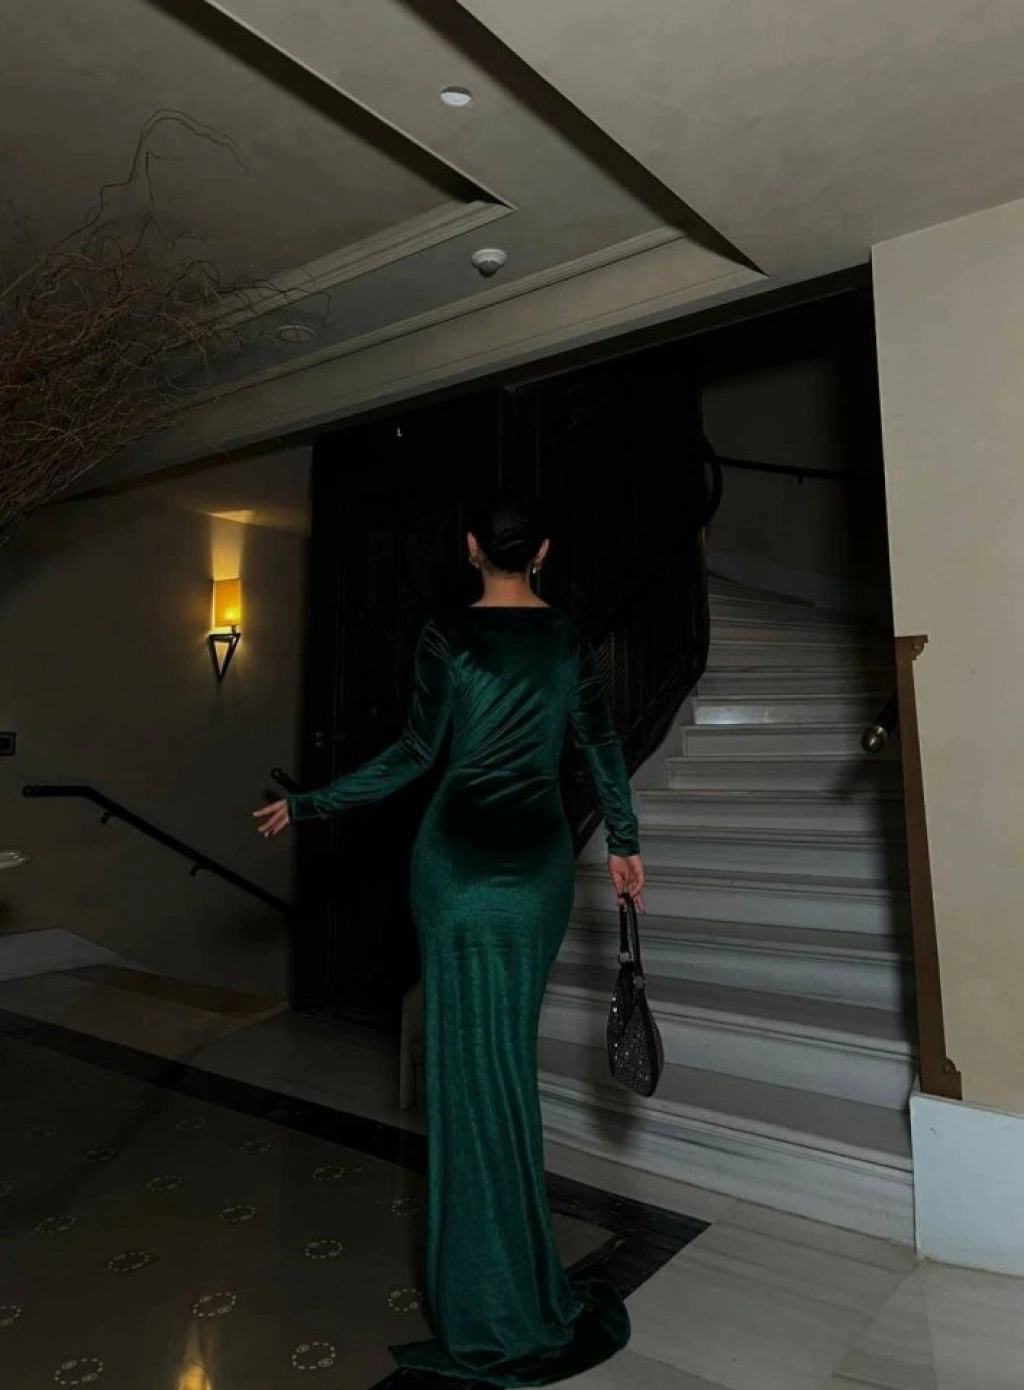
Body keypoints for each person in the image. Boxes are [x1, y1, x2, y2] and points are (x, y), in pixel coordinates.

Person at [255, 489, 646, 1386]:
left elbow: (411, 756)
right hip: (535, 871)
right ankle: (517, 1294)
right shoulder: (567, 639)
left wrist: (310, 803)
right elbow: (600, 746)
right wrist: (625, 843)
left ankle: (490, 1302)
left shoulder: (446, 636)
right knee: (504, 1067)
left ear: (472, 548)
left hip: (454, 870)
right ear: (542, 553)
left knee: (467, 1077)